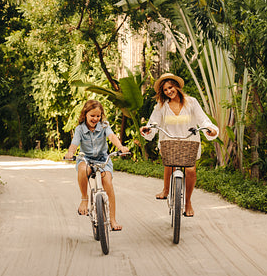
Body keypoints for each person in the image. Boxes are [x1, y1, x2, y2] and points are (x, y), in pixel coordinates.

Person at [140, 73, 218, 217]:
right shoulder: (161, 106)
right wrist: (147, 129)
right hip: (169, 141)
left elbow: (203, 120)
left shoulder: (191, 102)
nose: (169, 91)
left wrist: (210, 129)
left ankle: (188, 202)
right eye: (165, 90)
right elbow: (153, 122)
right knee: (169, 162)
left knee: (190, 171)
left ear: (176, 86)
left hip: (189, 141)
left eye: (170, 87)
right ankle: (165, 190)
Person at [65, 99, 129, 231]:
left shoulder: (104, 126)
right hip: (87, 159)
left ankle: (112, 220)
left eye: (98, 116)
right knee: (82, 169)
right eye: (92, 116)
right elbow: (74, 143)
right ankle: (84, 199)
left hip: (103, 159)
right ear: (85, 115)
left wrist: (121, 147)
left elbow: (112, 137)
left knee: (108, 184)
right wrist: (71, 152)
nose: (95, 118)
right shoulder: (80, 129)